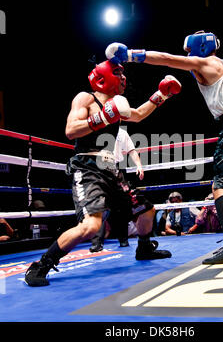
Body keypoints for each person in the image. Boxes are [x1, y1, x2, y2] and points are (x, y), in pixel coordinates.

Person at [105, 31, 223, 264]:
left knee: (219, 185)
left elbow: (166, 58)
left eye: (189, 50)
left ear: (201, 48)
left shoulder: (203, 62)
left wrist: (130, 56)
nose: (188, 54)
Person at [25, 59, 181, 286]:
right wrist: (102, 117)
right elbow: (70, 131)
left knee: (146, 210)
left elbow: (137, 114)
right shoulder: (85, 98)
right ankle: (41, 265)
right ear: (103, 77)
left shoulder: (118, 105)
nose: (124, 78)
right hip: (88, 169)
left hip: (111, 170)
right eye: (118, 73)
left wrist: (161, 95)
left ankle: (144, 248)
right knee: (90, 226)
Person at [89, 127, 145, 251]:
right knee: (99, 203)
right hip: (99, 167)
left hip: (117, 169)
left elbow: (132, 150)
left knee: (123, 205)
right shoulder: (97, 129)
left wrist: (139, 166)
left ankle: (123, 239)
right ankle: (97, 242)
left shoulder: (122, 132)